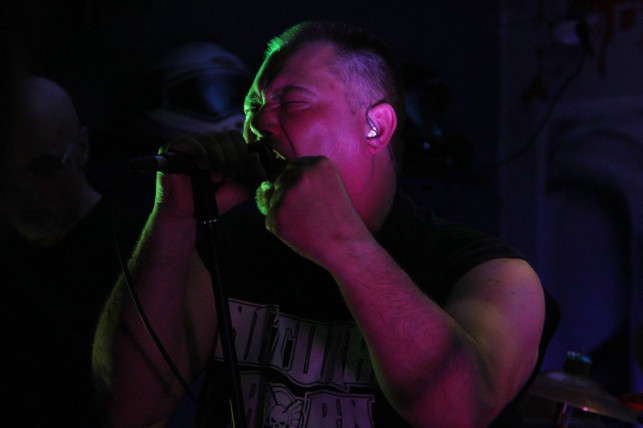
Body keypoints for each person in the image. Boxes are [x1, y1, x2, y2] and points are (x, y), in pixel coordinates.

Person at [93, 21, 558, 427]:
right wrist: (173, 220)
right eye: (253, 108)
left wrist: (345, 245)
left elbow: (458, 412)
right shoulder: (227, 249)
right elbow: (129, 407)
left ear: (376, 127)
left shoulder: (491, 273)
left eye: (291, 103)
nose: (257, 126)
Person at [0, 76, 143, 426]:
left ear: (82, 148)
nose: (24, 193)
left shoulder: (135, 253)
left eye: (43, 168)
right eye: (5, 174)